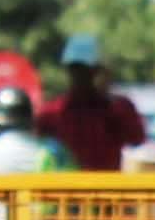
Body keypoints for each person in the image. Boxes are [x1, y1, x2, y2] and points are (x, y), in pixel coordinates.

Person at [41, 36, 146, 173]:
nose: (80, 75)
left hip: (105, 184)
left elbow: (137, 139)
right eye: (75, 69)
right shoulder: (52, 112)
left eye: (85, 69)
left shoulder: (118, 108)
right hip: (66, 184)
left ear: (98, 71)